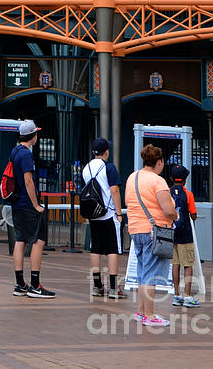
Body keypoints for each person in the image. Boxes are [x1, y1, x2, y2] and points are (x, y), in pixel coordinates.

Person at [125, 144, 180, 327]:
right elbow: (168, 209)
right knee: (150, 275)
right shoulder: (158, 181)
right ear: (159, 162)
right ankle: (149, 314)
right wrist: (175, 215)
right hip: (154, 231)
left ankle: (141, 312)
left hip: (136, 229)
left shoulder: (133, 177)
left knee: (142, 273)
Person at [10, 119, 56, 299]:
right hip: (27, 204)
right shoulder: (26, 155)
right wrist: (36, 204)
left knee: (20, 240)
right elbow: (28, 181)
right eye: (36, 133)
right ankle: (35, 285)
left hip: (16, 204)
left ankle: (20, 284)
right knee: (38, 240)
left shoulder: (15, 151)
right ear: (32, 136)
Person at [82, 137, 126, 299]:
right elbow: (114, 191)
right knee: (113, 249)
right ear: (106, 152)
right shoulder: (109, 168)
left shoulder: (86, 168)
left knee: (96, 249)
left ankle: (96, 285)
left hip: (93, 214)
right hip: (108, 213)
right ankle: (113, 288)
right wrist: (119, 213)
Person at [169, 165, 200, 308]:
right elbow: (193, 215)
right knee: (188, 264)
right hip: (185, 233)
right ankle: (187, 296)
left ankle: (176, 295)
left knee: (175, 264)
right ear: (185, 179)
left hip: (172, 232)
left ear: (171, 179)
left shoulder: (167, 193)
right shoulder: (188, 195)